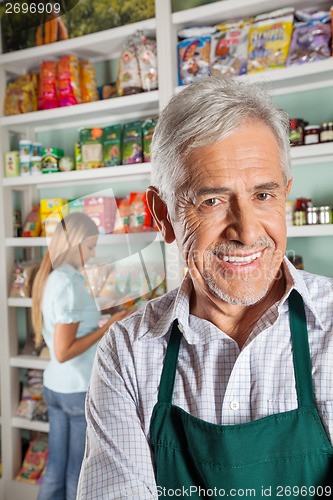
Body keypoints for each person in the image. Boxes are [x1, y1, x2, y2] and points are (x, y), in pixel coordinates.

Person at [77, 76, 333, 499]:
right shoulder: (128, 352)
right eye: (212, 200)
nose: (247, 232)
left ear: (285, 195)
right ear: (162, 214)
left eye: (264, 195)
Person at [31, 212, 129, 500]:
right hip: (77, 389)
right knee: (77, 470)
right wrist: (109, 327)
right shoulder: (70, 283)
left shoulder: (55, 278)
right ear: (75, 244)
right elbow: (63, 351)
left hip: (57, 387)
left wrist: (105, 314)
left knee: (56, 467)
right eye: (90, 246)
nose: (93, 253)